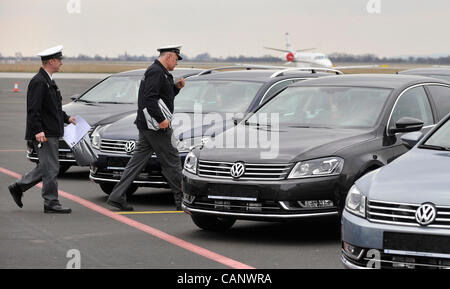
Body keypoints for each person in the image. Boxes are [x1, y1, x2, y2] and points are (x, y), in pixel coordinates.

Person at [106, 45, 186, 211]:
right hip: (156, 127)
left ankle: (117, 196)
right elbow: (149, 98)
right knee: (172, 161)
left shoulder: (159, 71)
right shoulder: (156, 72)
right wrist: (161, 120)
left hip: (147, 126)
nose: (176, 63)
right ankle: (183, 200)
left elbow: (162, 97)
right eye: (176, 59)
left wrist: (175, 88)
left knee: (136, 163)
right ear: (170, 56)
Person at [8, 45, 76, 213]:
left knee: (47, 166)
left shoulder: (48, 80)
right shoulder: (39, 81)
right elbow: (34, 109)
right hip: (44, 133)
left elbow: (53, 108)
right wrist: (38, 130)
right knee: (52, 167)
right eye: (59, 60)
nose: (61, 63)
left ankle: (18, 186)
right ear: (51, 61)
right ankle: (51, 202)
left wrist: (67, 118)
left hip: (51, 131)